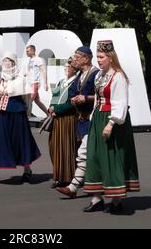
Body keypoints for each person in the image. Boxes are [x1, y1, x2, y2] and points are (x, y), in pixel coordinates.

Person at [82, 40, 140, 214]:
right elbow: (97, 100)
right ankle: (96, 198)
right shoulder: (100, 75)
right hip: (98, 117)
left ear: (110, 58)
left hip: (113, 121)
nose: (98, 60)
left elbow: (121, 102)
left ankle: (117, 199)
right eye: (98, 57)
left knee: (112, 157)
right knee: (93, 156)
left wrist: (111, 123)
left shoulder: (118, 76)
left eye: (101, 57)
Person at [0, 52, 41, 186]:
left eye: (9, 61)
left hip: (16, 113)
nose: (6, 63)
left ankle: (27, 169)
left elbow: (16, 92)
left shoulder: (20, 77)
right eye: (5, 61)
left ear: (14, 63)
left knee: (19, 140)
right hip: (1, 113)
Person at [56, 46, 98, 198]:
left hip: (93, 118)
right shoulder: (80, 74)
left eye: (77, 57)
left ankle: (74, 186)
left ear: (86, 58)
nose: (75, 60)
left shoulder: (96, 74)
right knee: (87, 153)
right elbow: (73, 92)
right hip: (81, 120)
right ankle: (90, 185)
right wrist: (73, 99)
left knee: (84, 153)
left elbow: (102, 96)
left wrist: (85, 98)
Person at [47, 57, 79, 188]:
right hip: (56, 118)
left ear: (74, 69)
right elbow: (54, 97)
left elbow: (72, 103)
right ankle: (58, 175)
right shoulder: (62, 81)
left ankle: (67, 177)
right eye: (65, 66)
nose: (66, 68)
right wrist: (51, 108)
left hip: (68, 119)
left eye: (68, 66)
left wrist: (57, 109)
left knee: (66, 147)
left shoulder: (76, 83)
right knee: (54, 146)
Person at [24, 45, 49, 117]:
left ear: (33, 51)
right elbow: (31, 71)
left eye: (28, 51)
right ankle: (48, 114)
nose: (26, 52)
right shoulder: (30, 60)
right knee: (37, 101)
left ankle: (26, 118)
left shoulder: (38, 59)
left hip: (35, 83)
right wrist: (26, 75)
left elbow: (44, 70)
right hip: (30, 84)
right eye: (26, 51)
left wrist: (45, 83)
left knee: (29, 101)